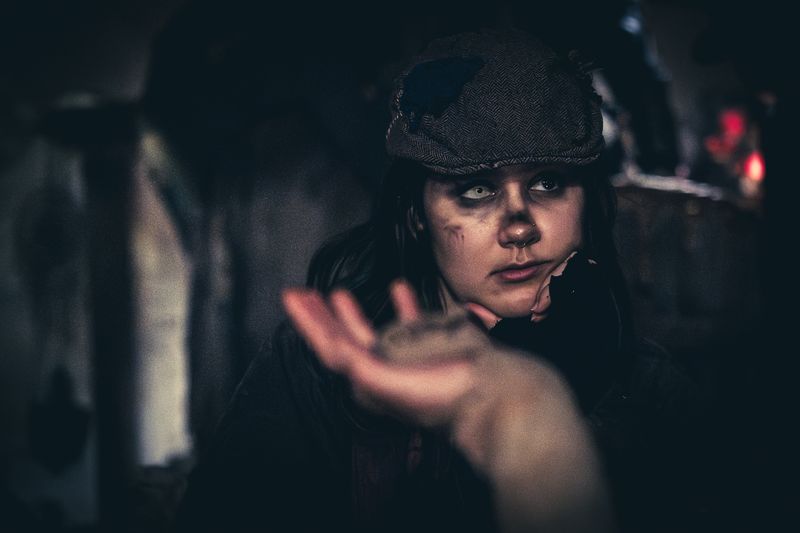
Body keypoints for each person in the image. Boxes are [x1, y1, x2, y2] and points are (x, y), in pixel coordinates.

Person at [176, 29, 713, 533]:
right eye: (476, 190)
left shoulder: (648, 388)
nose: (520, 226)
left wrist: (568, 406)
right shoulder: (325, 367)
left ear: (587, 203)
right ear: (417, 214)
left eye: (548, 182)